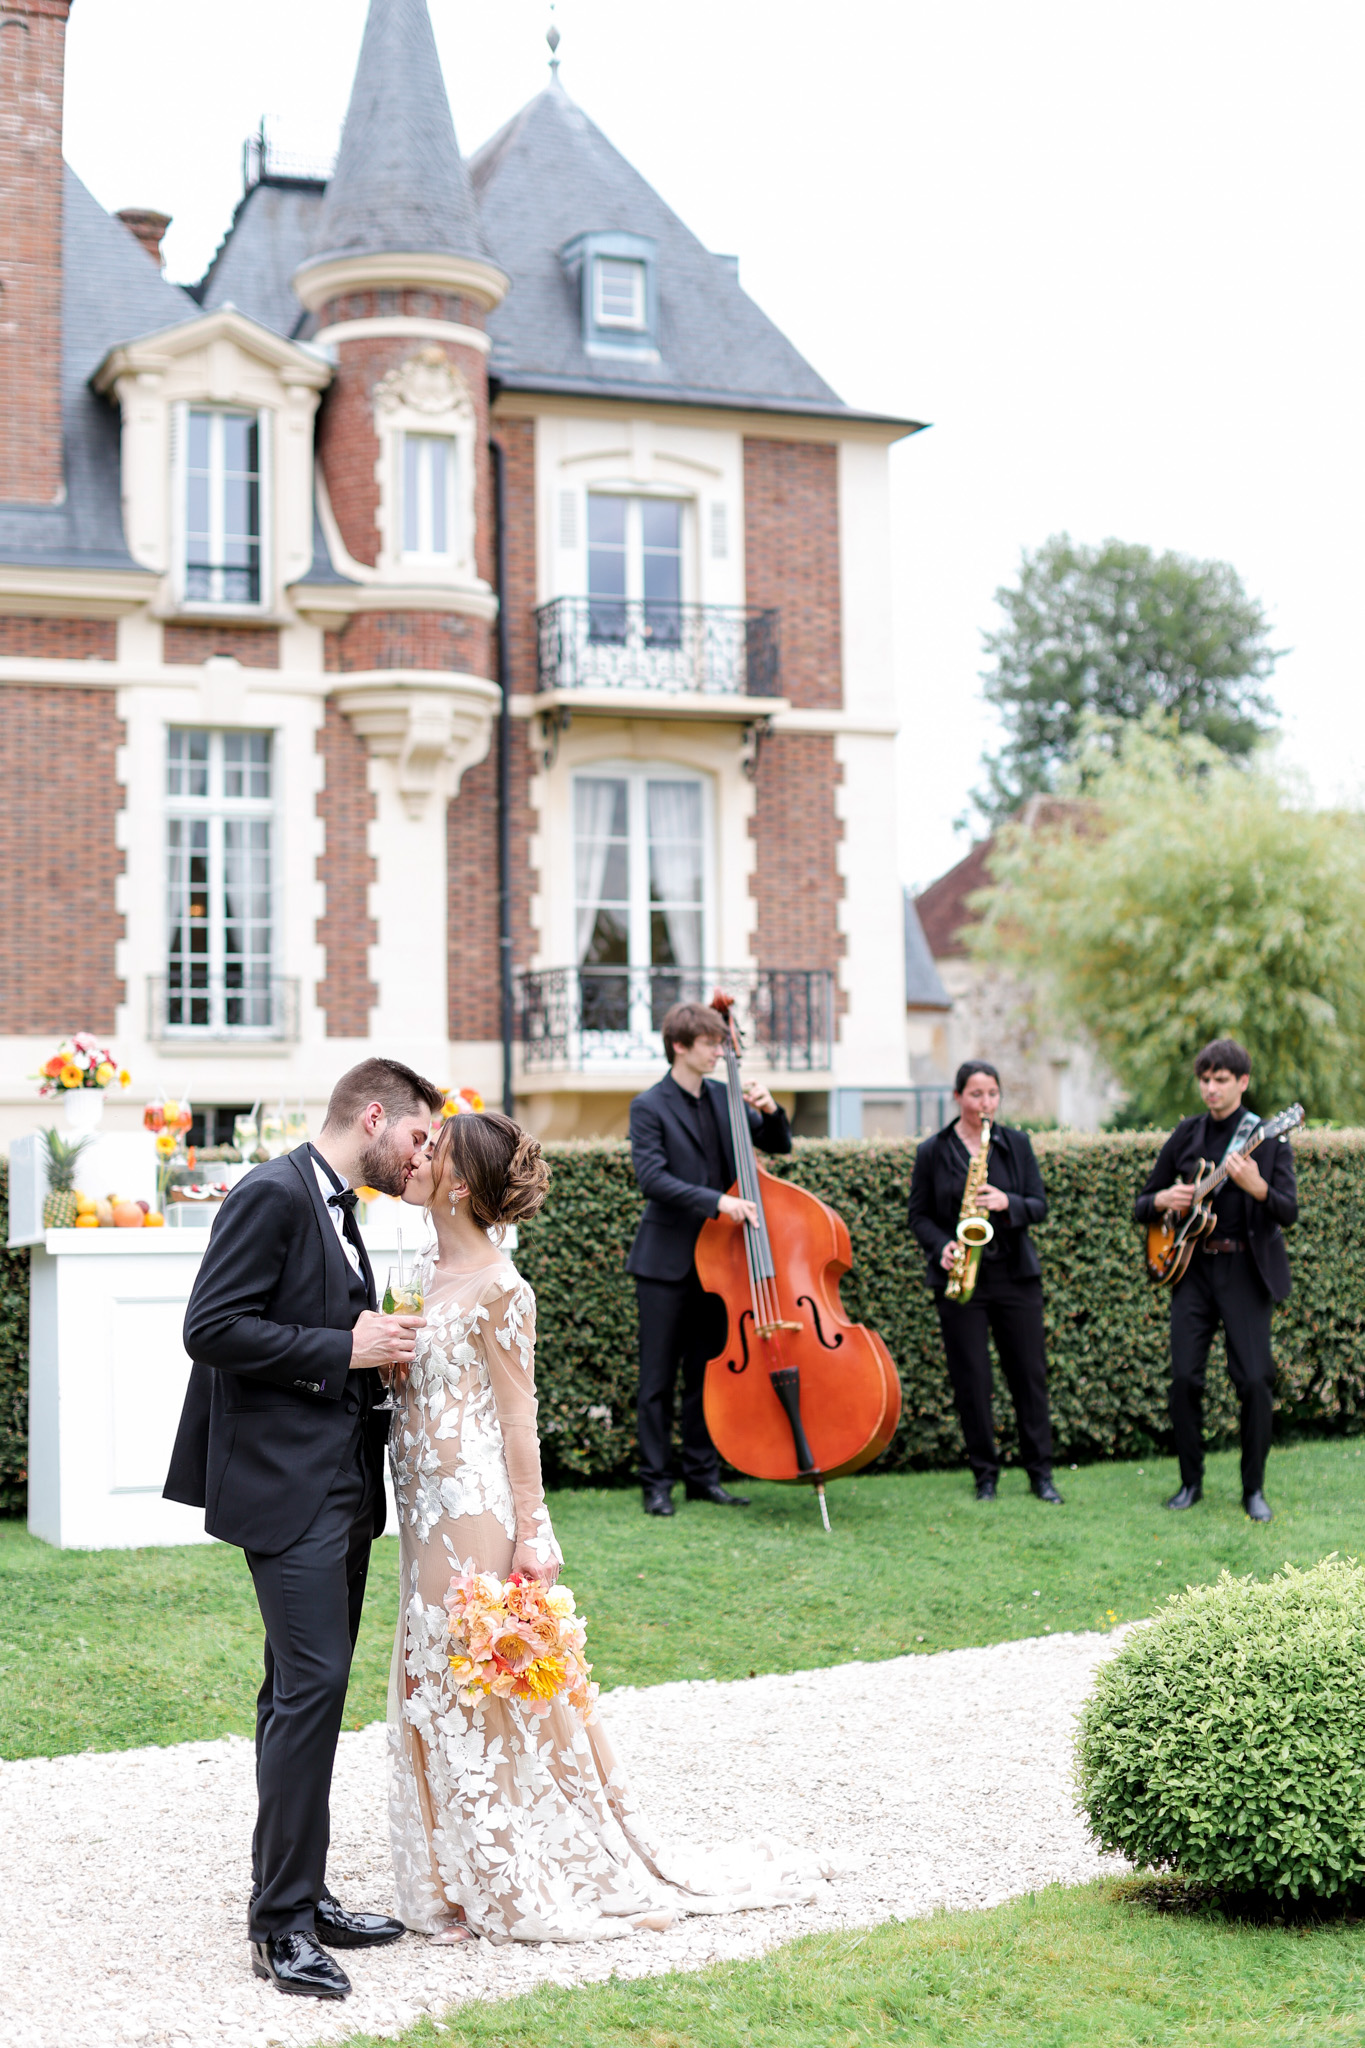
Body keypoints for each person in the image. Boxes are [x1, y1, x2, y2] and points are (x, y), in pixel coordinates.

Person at [388, 1109, 826, 1941]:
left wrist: (533, 1529)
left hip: (473, 1507)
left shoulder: (501, 1288)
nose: (413, 1158)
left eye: (430, 1150)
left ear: (458, 1181)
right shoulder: (415, 1271)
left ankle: (515, 1877)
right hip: (418, 1509)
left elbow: (519, 1422)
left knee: (484, 1677)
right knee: (430, 1680)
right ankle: (454, 1868)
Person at [164, 1057, 445, 2003]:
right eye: (416, 1139)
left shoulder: (339, 1207)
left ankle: (303, 1894)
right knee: (310, 1690)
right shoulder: (273, 1195)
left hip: (339, 1486)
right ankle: (279, 1926)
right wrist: (346, 1348)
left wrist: (371, 1349)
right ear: (374, 1116)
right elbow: (211, 1328)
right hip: (286, 1492)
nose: (420, 1160)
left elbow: (307, 1326)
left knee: (300, 1689)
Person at [624, 1000, 792, 1517]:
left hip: (721, 1262)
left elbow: (778, 1145)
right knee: (657, 1381)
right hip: (665, 1262)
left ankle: (702, 1476)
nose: (721, 1051)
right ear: (680, 1046)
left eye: (724, 1043)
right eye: (711, 1043)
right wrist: (717, 1200)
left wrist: (770, 1110)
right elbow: (651, 1178)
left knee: (706, 1374)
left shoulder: (726, 1096)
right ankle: (656, 1483)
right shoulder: (649, 1105)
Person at [1134, 1037, 1298, 1523]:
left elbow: (1287, 1211)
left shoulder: (1268, 1137)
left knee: (1253, 1380)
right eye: (1204, 1079)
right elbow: (1142, 1203)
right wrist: (1164, 1200)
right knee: (1184, 1378)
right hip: (1192, 1270)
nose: (1210, 1088)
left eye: (1220, 1080)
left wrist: (1257, 1186)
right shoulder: (1185, 1134)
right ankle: (1190, 1482)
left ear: (1242, 1083)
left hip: (1244, 1271)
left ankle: (1253, 1490)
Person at [908, 1061, 1062, 1504]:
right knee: (971, 1380)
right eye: (976, 1095)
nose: (985, 1103)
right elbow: (918, 1215)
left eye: (992, 1094)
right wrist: (941, 1247)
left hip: (1015, 1276)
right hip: (960, 1277)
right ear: (958, 1097)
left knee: (1028, 1377)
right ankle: (985, 1475)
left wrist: (1005, 1201)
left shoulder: (1016, 1144)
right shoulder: (932, 1151)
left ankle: (1041, 1474)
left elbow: (1039, 1205)